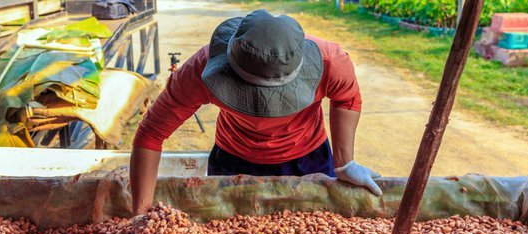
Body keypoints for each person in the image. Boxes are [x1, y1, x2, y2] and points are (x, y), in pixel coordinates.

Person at [130, 9, 382, 215]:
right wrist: (140, 215)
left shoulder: (332, 61)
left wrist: (344, 162)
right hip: (233, 159)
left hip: (308, 158)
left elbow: (347, 98)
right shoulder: (200, 70)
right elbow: (151, 134)